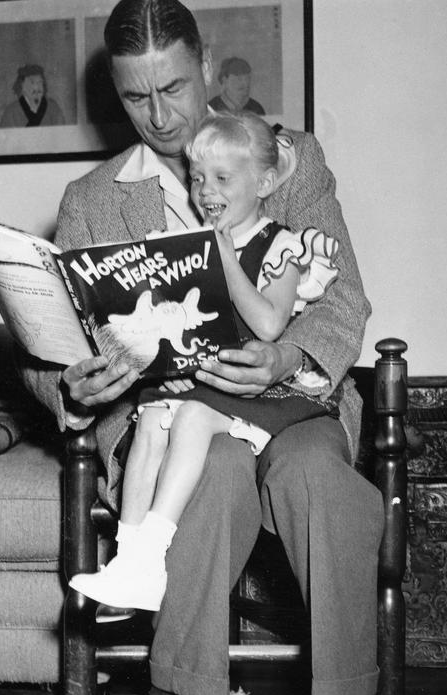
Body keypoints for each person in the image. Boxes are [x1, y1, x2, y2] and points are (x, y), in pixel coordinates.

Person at [15, 1, 385, 695]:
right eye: (136, 98)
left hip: (289, 406)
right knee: (210, 469)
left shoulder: (288, 160)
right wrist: (73, 382)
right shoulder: (93, 199)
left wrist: (287, 353)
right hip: (175, 418)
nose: (161, 117)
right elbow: (47, 355)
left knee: (318, 479)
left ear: (209, 65)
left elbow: (344, 300)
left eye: (174, 88)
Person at [69, 111, 340, 613]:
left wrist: (226, 259)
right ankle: (133, 565)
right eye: (197, 178)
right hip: (209, 382)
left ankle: (151, 551)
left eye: (221, 179)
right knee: (150, 418)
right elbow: (191, 329)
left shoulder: (281, 245)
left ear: (262, 182)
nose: (205, 191)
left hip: (267, 395)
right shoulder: (195, 241)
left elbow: (268, 325)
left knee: (190, 419)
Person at [0, 64, 66, 128]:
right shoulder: (11, 112)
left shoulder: (53, 107)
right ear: (22, 86)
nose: (37, 87)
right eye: (32, 83)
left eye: (40, 82)